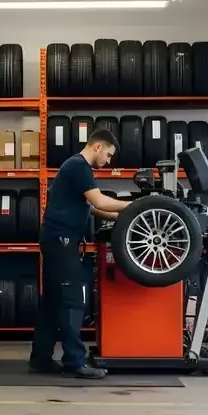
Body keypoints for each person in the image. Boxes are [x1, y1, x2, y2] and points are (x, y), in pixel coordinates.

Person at [30, 129, 131, 379]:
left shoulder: (75, 168)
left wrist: (124, 216)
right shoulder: (79, 167)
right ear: (97, 146)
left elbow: (92, 209)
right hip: (61, 241)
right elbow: (100, 202)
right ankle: (75, 361)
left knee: (53, 302)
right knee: (72, 299)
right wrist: (140, 205)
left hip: (56, 240)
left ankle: (40, 358)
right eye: (108, 155)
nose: (108, 161)